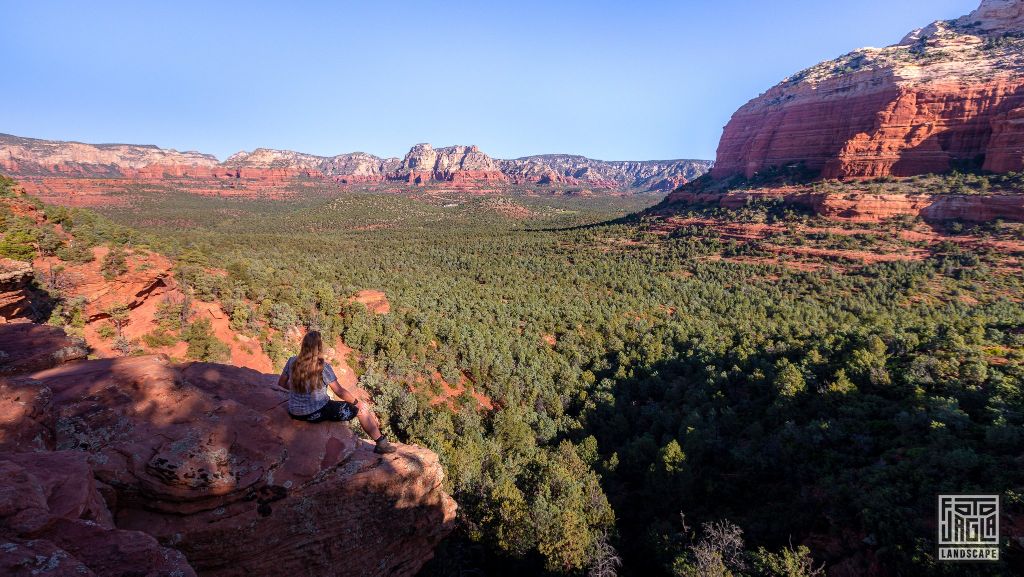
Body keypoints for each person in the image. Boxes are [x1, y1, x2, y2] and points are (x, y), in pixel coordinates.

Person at [278, 330, 396, 454]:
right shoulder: (322, 367)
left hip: (294, 412)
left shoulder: (292, 361)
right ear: (319, 347)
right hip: (317, 411)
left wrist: (299, 390)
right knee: (362, 411)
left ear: (303, 345)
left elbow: (281, 384)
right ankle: (381, 443)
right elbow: (339, 391)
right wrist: (357, 403)